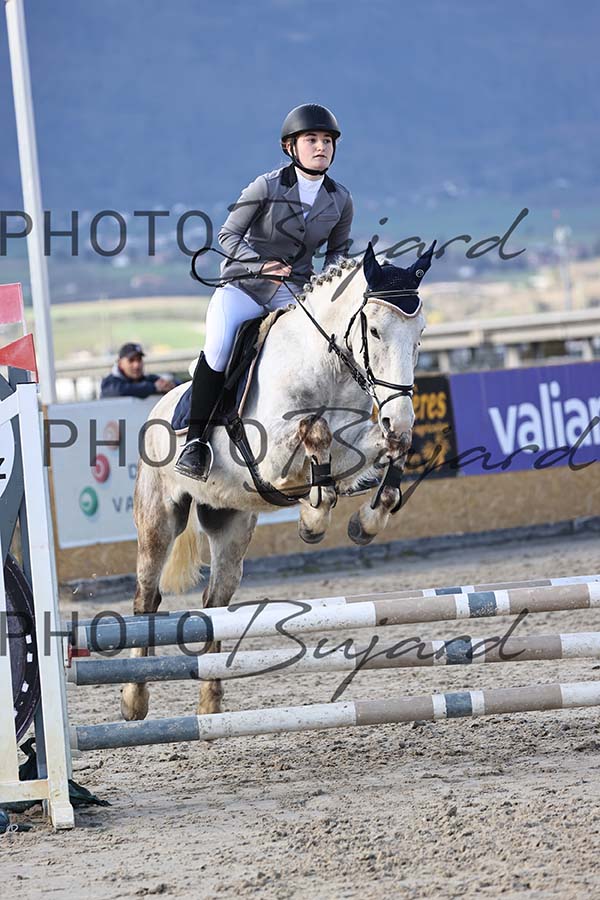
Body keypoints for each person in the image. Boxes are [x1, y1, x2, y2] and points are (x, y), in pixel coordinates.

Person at [176, 102, 354, 481]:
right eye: (311, 139)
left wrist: (329, 290)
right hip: (244, 286)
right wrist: (260, 264)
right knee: (219, 347)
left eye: (327, 141)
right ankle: (196, 443)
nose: (321, 147)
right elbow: (228, 235)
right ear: (290, 146)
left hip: (294, 291)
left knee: (322, 350)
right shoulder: (266, 186)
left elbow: (337, 253)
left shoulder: (340, 199)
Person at [100, 342, 178, 399]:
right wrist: (153, 388)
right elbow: (117, 392)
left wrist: (170, 385)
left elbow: (179, 386)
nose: (136, 365)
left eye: (139, 360)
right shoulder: (109, 383)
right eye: (131, 360)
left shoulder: (149, 379)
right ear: (120, 363)